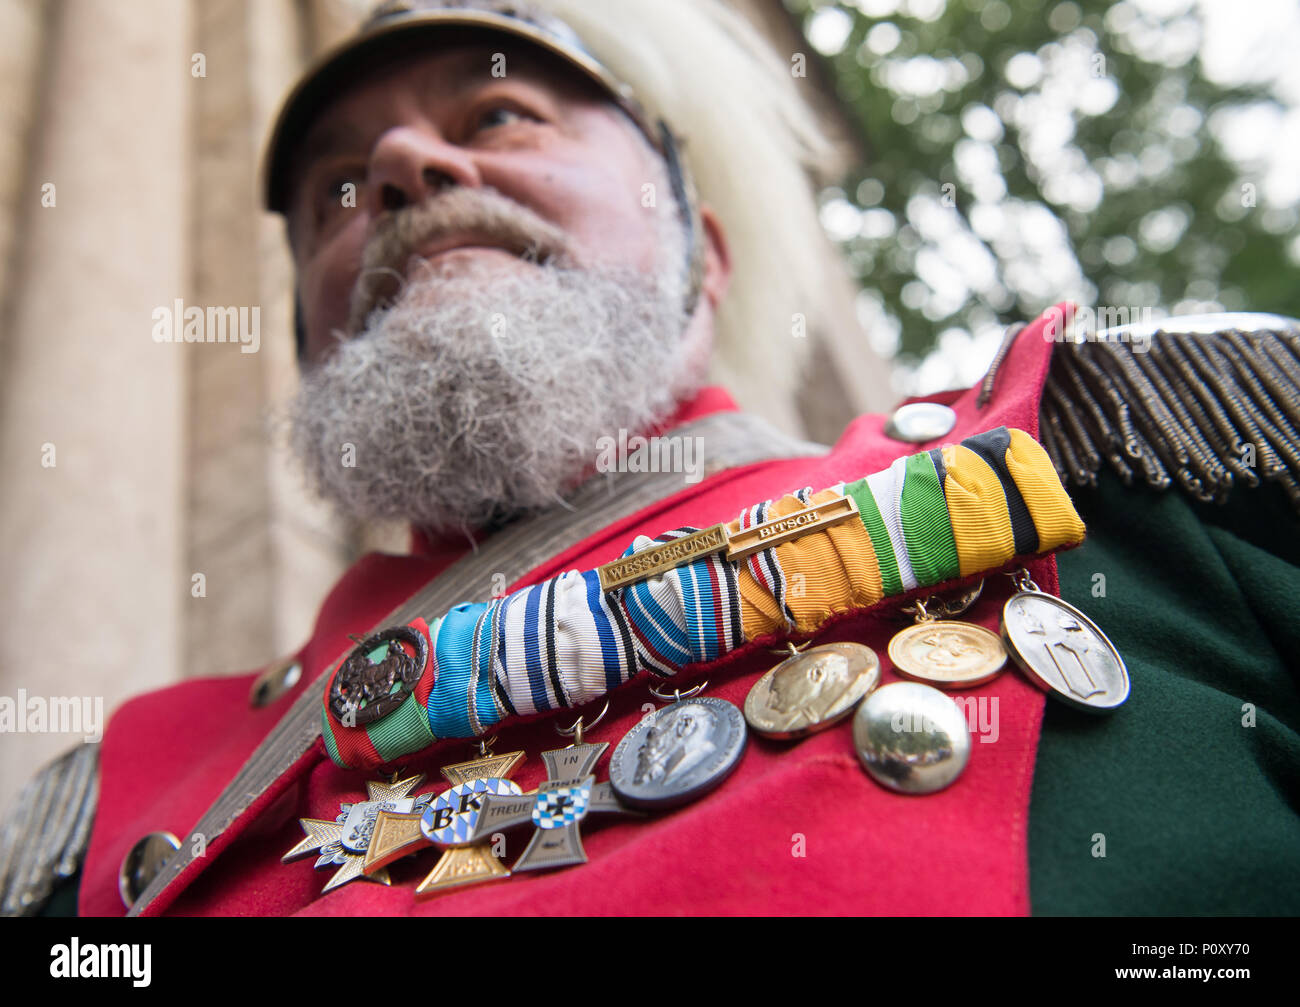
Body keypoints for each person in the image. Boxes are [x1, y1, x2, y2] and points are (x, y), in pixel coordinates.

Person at [5, 0, 1298, 918]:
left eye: (501, 112)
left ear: (706, 255)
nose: (400, 165)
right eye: (337, 194)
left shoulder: (1125, 481)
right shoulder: (107, 806)